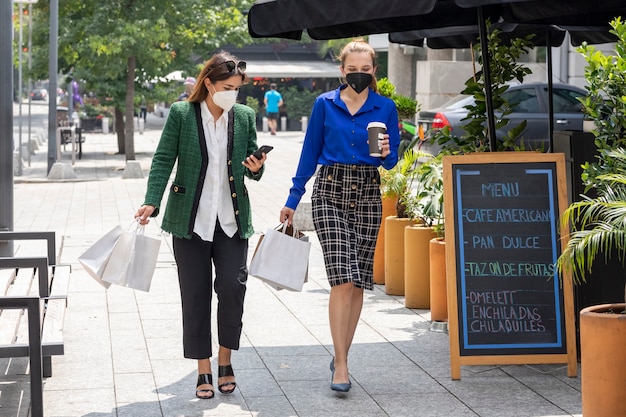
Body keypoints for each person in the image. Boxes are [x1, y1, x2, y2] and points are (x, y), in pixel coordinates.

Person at [135, 52, 268, 400]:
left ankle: (226, 360)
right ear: (207, 83)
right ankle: (204, 368)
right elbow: (164, 157)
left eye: (237, 89)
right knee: (194, 296)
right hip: (190, 221)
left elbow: (254, 166)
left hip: (230, 220)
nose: (232, 95)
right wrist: (153, 199)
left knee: (233, 289)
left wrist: (256, 166)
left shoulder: (244, 117)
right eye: (227, 88)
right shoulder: (182, 114)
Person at [279, 39, 399, 393]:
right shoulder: (324, 105)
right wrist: (292, 196)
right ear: (341, 70)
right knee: (341, 278)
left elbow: (389, 162)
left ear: (374, 71)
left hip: (367, 190)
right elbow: (309, 152)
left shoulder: (385, 107)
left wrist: (389, 151)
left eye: (365, 70)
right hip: (329, 191)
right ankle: (341, 365)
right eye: (352, 70)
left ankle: (341, 352)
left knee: (359, 280)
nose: (358, 75)